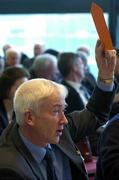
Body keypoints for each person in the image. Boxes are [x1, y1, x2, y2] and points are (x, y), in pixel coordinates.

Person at [0, 40, 117, 180]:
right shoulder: (9, 168)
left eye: (63, 110)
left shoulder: (58, 131)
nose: (64, 119)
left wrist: (105, 76)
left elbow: (94, 113)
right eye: (56, 111)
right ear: (30, 117)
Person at [0, 66, 30, 135]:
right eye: (19, 88)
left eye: (25, 87)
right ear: (6, 88)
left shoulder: (25, 108)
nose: (25, 92)